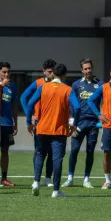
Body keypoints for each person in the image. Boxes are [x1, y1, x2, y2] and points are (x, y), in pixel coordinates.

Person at [27, 64, 80, 198]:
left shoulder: (43, 87)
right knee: (57, 159)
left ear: (53, 74)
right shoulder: (68, 89)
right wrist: (74, 124)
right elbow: (77, 107)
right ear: (64, 75)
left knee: (39, 154)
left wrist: (29, 122)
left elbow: (29, 104)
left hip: (42, 128)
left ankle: (36, 182)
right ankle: (56, 191)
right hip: (59, 130)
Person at [63, 58, 102, 188]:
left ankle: (86, 179)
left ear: (92, 68)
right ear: (81, 70)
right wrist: (71, 122)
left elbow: (106, 102)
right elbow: (71, 106)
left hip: (93, 124)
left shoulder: (100, 84)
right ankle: (70, 178)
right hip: (78, 123)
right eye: (85, 69)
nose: (88, 71)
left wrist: (102, 119)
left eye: (89, 68)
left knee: (90, 151)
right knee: (74, 150)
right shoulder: (76, 85)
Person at [20, 59, 56, 187]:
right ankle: (37, 179)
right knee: (39, 151)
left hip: (54, 122)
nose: (51, 74)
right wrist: (30, 115)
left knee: (52, 151)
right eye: (49, 71)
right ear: (44, 71)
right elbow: (23, 98)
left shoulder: (59, 84)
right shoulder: (38, 83)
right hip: (39, 123)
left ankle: (48, 179)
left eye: (53, 71)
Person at [0, 62, 17, 186]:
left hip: (7, 123)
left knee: (5, 151)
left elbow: (14, 106)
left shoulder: (12, 86)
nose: (6, 74)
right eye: (4, 72)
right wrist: (0, 85)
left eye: (8, 72)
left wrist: (15, 123)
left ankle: (4, 178)